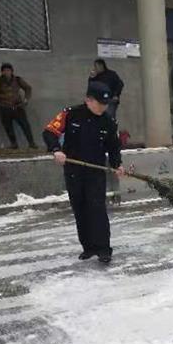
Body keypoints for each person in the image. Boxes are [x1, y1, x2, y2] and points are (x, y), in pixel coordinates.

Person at [43, 82, 125, 263]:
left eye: (106, 104)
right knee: (80, 208)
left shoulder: (108, 121)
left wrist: (117, 164)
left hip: (95, 170)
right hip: (73, 169)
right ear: (88, 100)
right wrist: (56, 150)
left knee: (96, 208)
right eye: (100, 103)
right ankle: (88, 247)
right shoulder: (70, 114)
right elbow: (49, 131)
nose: (103, 107)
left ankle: (103, 248)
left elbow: (113, 146)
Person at [0, 63, 36, 149]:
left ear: (12, 71)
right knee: (8, 127)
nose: (6, 72)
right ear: (2, 72)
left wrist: (26, 99)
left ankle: (32, 143)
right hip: (4, 107)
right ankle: (14, 144)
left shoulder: (17, 79)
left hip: (17, 106)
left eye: (8, 70)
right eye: (4, 71)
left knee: (25, 125)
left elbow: (28, 88)